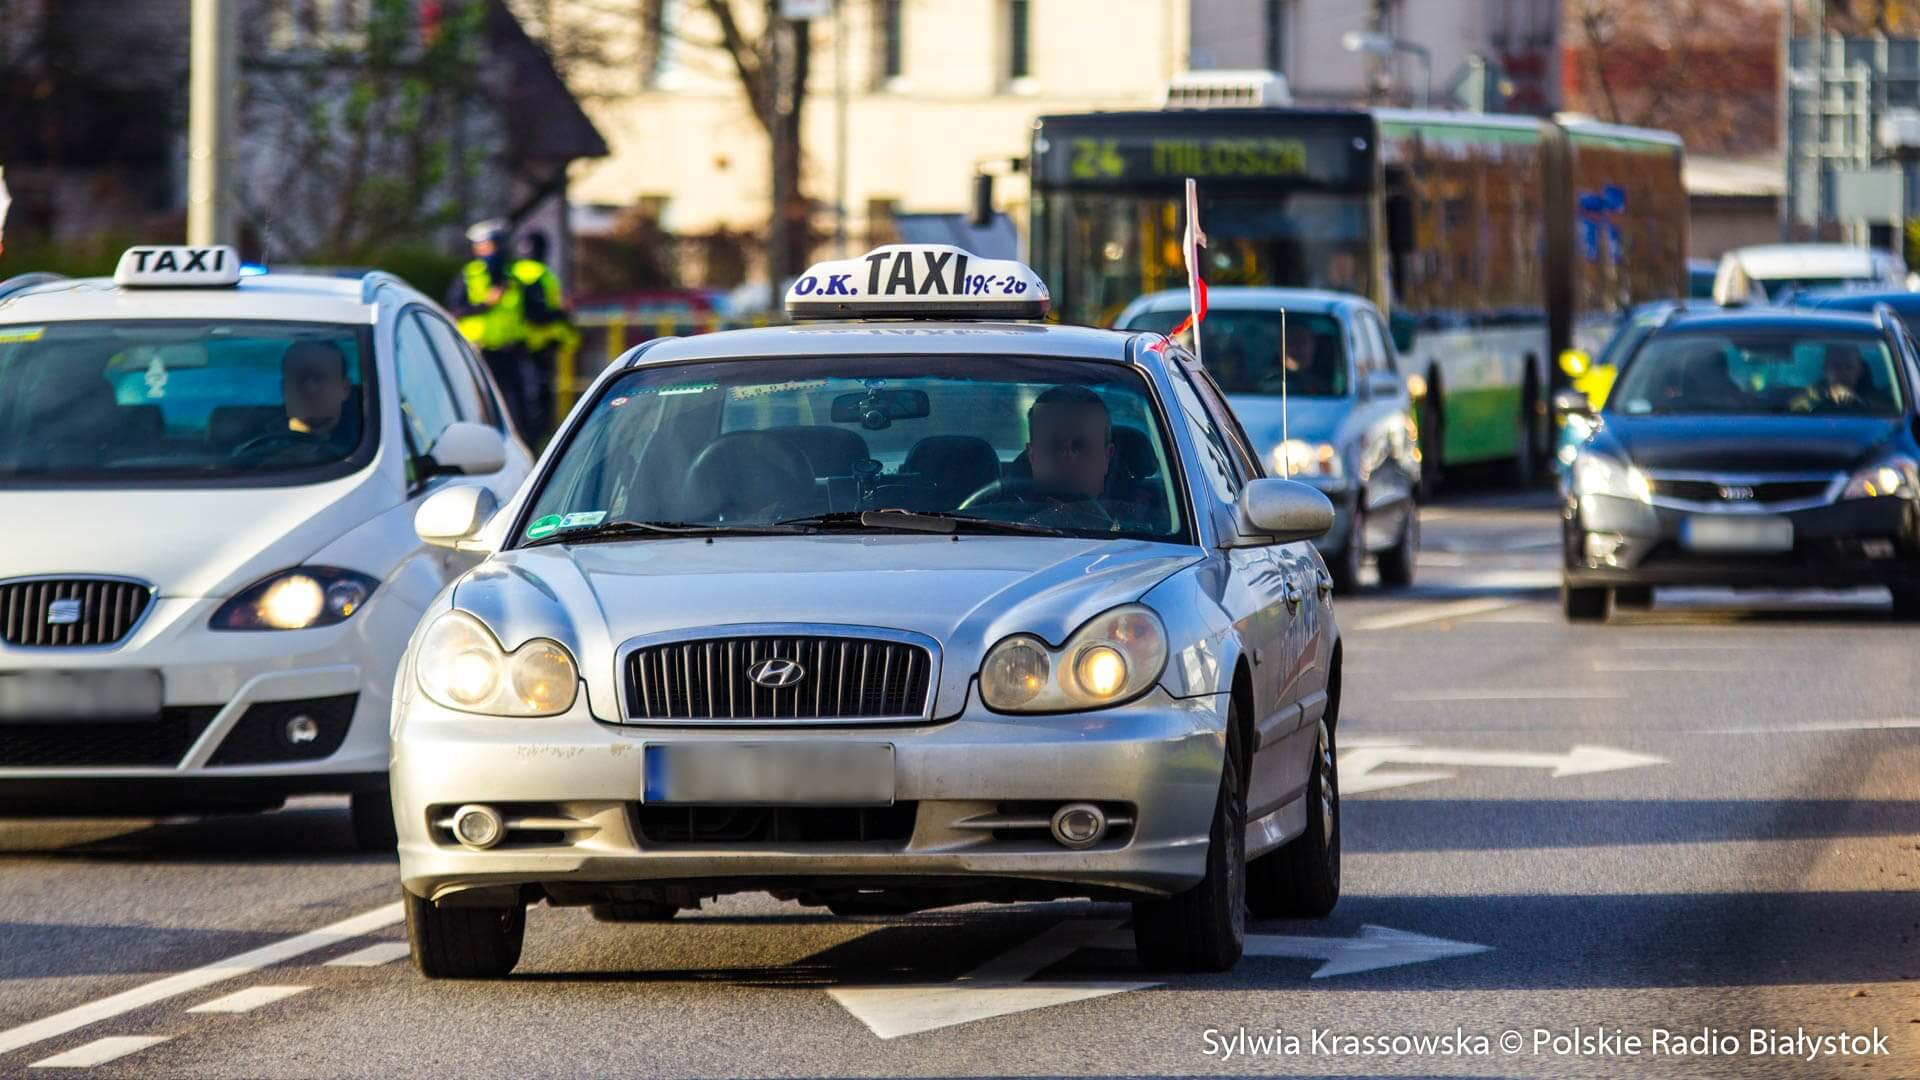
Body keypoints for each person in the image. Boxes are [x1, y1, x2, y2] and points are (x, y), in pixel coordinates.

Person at [446, 220, 546, 436]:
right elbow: (454, 310)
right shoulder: (468, 276)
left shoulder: (514, 279)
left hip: (512, 352)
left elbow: (533, 313)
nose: (494, 250)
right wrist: (485, 305)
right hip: (480, 353)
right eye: (488, 245)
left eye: (497, 244)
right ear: (477, 248)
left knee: (519, 411)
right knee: (480, 408)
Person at [510, 232, 576, 446]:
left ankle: (531, 440)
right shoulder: (538, 275)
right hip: (534, 345)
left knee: (522, 399)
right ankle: (535, 443)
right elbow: (537, 314)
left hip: (518, 344)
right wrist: (561, 313)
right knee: (537, 401)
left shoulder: (513, 272)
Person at [1026, 385, 1115, 499]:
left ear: (1107, 457)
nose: (1067, 461)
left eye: (1082, 447)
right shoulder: (1001, 514)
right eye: (1054, 447)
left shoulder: (1138, 515)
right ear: (1032, 456)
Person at [281, 340, 354, 446]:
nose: (310, 388)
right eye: (300, 378)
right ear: (284, 388)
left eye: (320, 378)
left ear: (344, 389)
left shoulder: (370, 439)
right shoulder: (257, 436)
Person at [1791, 344, 1871, 413]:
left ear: (1860, 371)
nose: (1843, 373)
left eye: (1849, 367)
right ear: (1825, 369)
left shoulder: (1877, 400)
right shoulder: (1808, 397)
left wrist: (1857, 401)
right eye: (1837, 367)